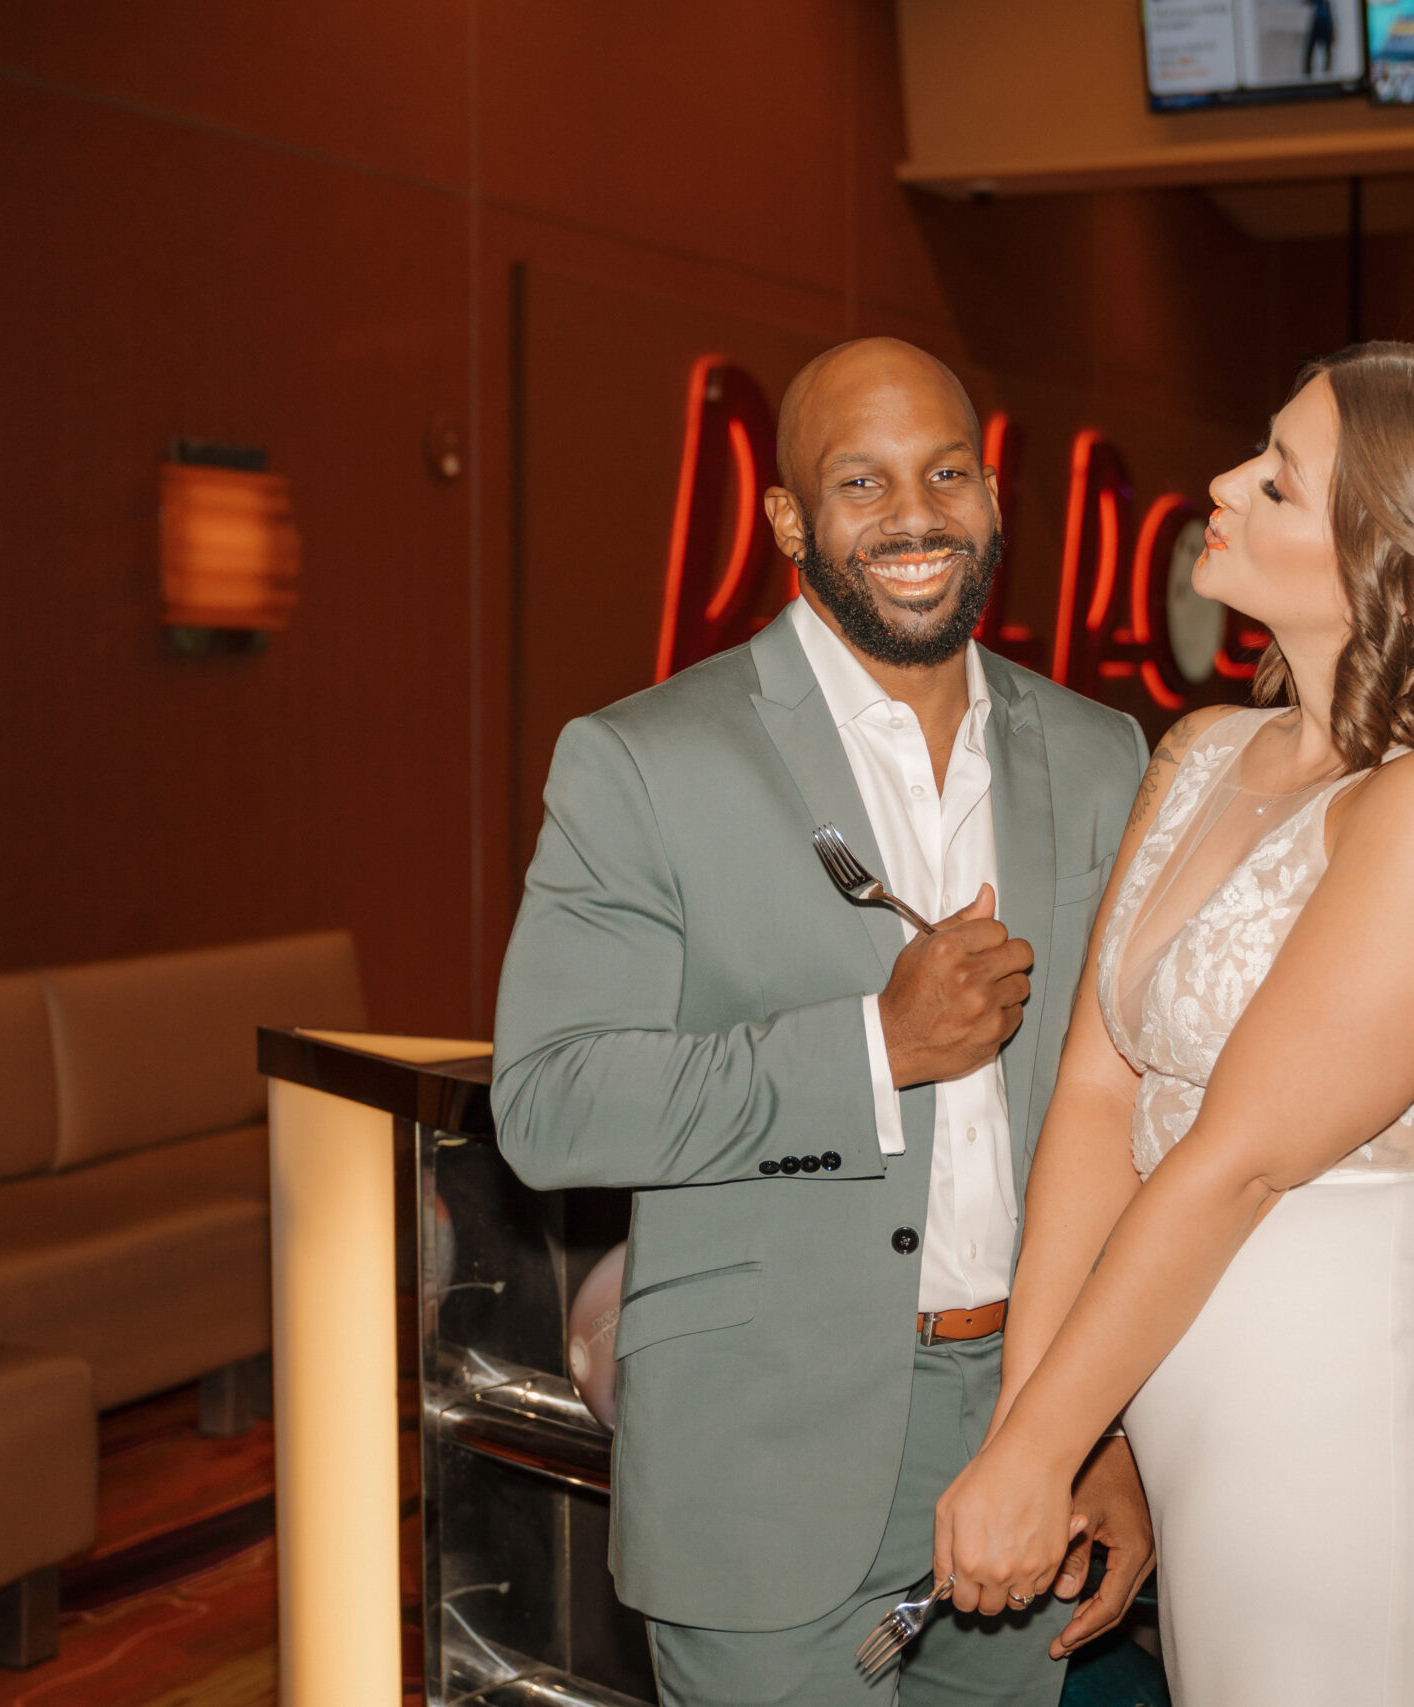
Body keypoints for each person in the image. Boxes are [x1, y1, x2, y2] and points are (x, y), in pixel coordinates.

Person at [493, 337, 1156, 1707]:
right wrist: (875, 1049)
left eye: (946, 473)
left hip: (1028, 1426)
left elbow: (1117, 1122)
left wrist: (1100, 1429)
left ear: (988, 496)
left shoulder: (1102, 758)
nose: (915, 517)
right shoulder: (644, 759)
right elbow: (550, 1105)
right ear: (793, 521)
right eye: (862, 482)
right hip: (760, 1453)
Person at [932, 341, 1414, 1706]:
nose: (1223, 483)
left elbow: (1240, 1161)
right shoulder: (1204, 750)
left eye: (1277, 481)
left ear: (1390, 557)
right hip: (1199, 1421)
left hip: (1356, 1438)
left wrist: (1037, 1450)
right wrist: (1040, 1426)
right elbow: (1101, 1099)